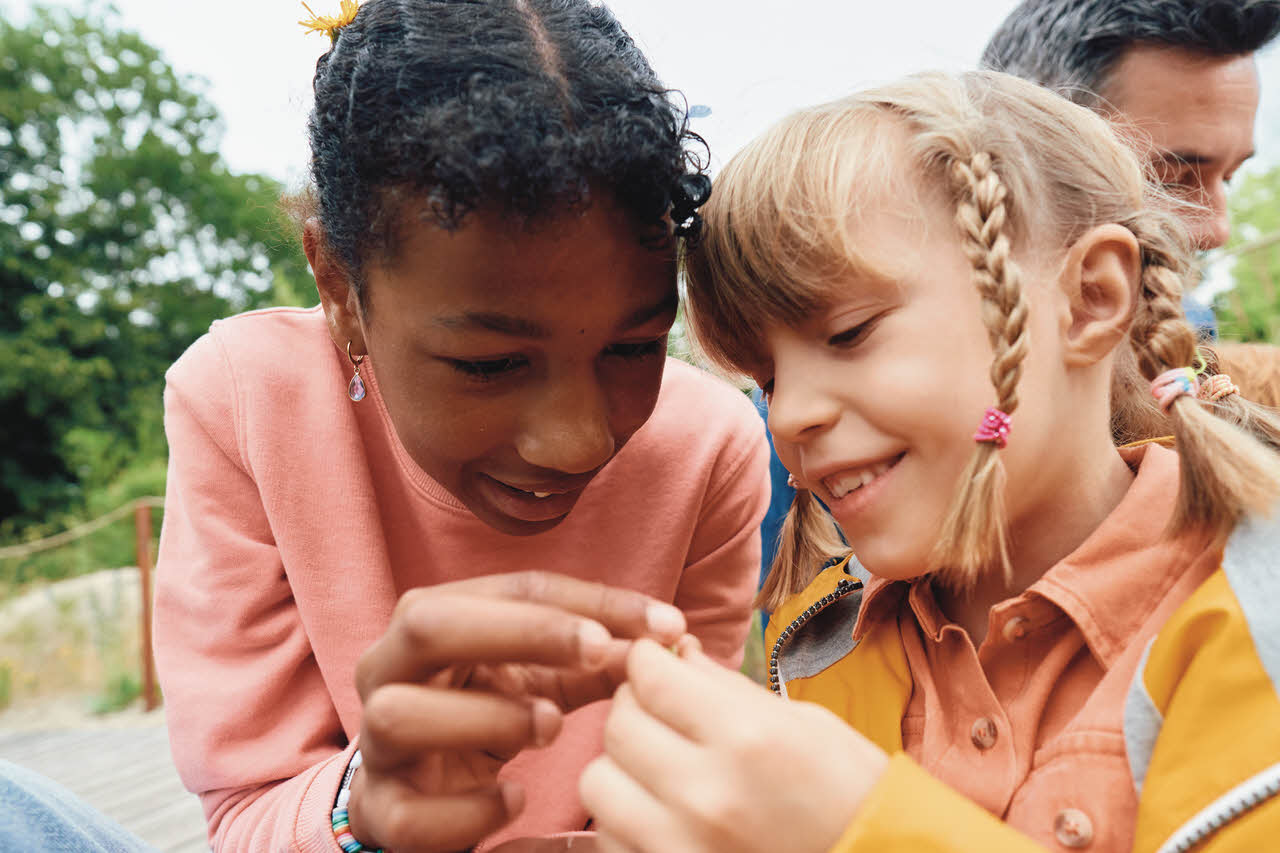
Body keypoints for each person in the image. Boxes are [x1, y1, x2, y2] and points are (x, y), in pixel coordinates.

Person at [579, 71, 1280, 853]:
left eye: (848, 333)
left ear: (1088, 299)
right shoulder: (820, 648)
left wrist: (862, 829)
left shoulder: (1256, 619)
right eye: (767, 378)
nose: (788, 414)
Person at [151, 2, 769, 852]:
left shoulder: (711, 448)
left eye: (636, 346)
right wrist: (363, 806)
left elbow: (667, 792)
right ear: (339, 288)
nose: (579, 441)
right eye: (489, 363)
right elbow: (247, 810)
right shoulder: (242, 404)